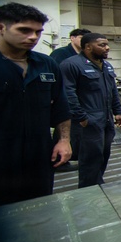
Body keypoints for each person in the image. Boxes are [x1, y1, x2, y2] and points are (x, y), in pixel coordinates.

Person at [0, 2, 72, 207]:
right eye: (24, 30)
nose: (33, 37)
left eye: (38, 32)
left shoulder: (46, 64)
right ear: (0, 28)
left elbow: (61, 107)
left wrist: (64, 140)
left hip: (38, 161)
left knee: (40, 211)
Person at [61, 33, 121, 189]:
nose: (107, 47)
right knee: (90, 158)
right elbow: (68, 93)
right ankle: (88, 189)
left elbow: (112, 90)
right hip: (88, 120)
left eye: (107, 44)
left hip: (106, 119)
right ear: (88, 47)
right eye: (102, 45)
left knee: (103, 155)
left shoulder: (106, 66)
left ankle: (97, 183)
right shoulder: (71, 65)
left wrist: (118, 111)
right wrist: (81, 117)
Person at [49, 27, 90, 171]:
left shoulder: (85, 56)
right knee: (63, 129)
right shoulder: (60, 54)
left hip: (81, 99)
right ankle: (58, 161)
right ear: (72, 38)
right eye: (81, 37)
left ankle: (68, 157)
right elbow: (56, 77)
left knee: (76, 131)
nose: (84, 40)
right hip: (65, 98)